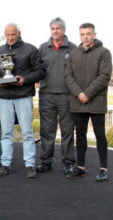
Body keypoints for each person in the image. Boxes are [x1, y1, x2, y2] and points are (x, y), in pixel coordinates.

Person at [0, 23, 45, 178]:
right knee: (6, 132)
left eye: (13, 34)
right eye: (7, 35)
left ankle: (30, 165)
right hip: (5, 96)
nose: (10, 37)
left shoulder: (30, 49)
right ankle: (5, 164)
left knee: (27, 132)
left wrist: (25, 79)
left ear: (19, 33)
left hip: (23, 95)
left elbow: (41, 71)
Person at [65, 23, 112, 182]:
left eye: (89, 34)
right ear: (80, 36)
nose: (86, 37)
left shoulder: (104, 53)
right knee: (80, 135)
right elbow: (68, 77)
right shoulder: (73, 54)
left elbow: (105, 76)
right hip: (78, 102)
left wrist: (88, 94)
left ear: (94, 34)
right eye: (83, 34)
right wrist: (79, 93)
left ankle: (103, 169)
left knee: (100, 135)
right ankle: (80, 167)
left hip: (96, 102)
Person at [36, 17, 77, 176]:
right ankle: (46, 161)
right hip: (46, 95)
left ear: (64, 30)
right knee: (46, 131)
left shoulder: (73, 48)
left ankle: (68, 163)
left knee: (67, 130)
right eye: (53, 28)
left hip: (67, 96)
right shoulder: (43, 48)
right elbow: (37, 69)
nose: (55, 31)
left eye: (58, 28)